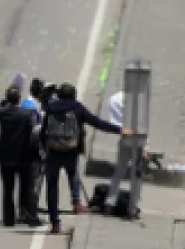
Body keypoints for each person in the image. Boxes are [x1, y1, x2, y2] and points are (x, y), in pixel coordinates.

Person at [38, 83, 131, 233]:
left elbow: (43, 131)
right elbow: (97, 122)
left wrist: (45, 148)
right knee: (73, 175)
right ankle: (76, 203)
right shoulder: (77, 108)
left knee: (51, 187)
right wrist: (120, 130)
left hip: (53, 152)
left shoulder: (51, 108)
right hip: (71, 151)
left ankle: (55, 223)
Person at [0, 85, 42, 227]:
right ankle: (27, 215)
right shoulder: (26, 115)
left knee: (8, 189)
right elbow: (32, 133)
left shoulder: (2, 114)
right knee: (26, 188)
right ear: (19, 100)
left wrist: (5, 100)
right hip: (23, 156)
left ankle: (9, 219)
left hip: (5, 156)